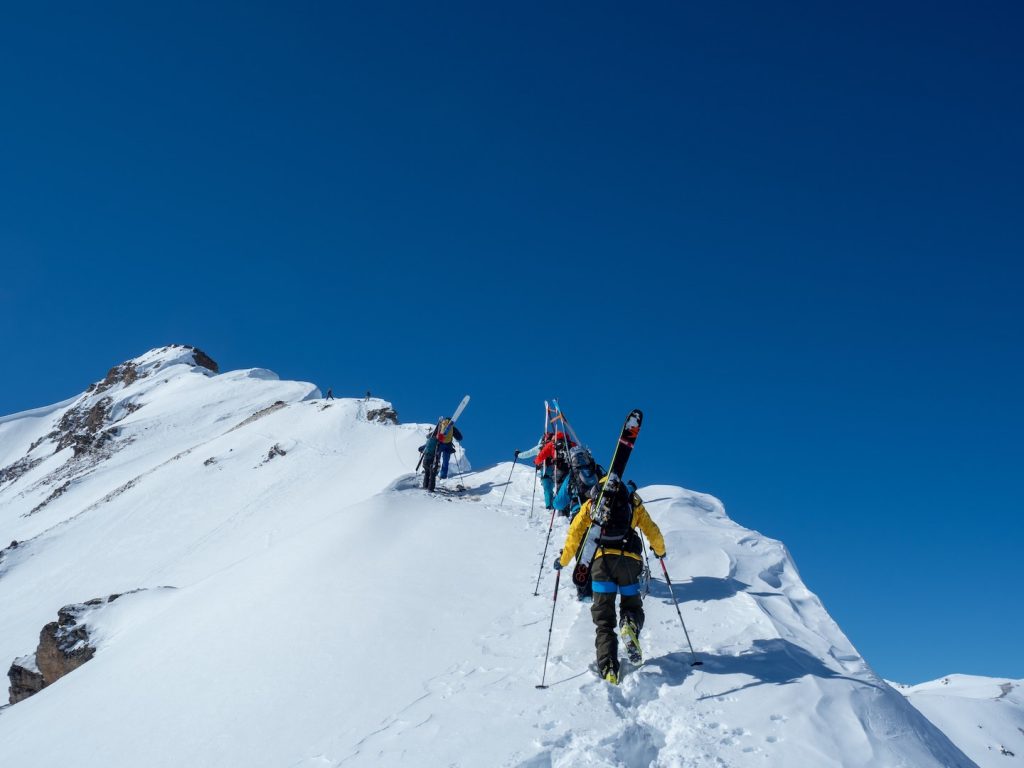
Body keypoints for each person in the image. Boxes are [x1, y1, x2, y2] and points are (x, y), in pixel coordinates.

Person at [554, 475, 665, 685]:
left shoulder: (592, 503)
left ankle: (609, 668)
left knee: (604, 621)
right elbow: (652, 530)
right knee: (632, 605)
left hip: (601, 563)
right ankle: (630, 624)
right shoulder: (632, 501)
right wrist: (660, 551)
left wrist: (563, 560)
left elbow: (575, 534)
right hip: (629, 563)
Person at [419, 417, 463, 490]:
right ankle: (443, 475)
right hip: (448, 446)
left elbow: (432, 434)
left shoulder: (440, 426)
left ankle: (434, 472)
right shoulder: (452, 427)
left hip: (439, 445)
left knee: (436, 460)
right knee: (446, 461)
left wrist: (429, 437)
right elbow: (460, 437)